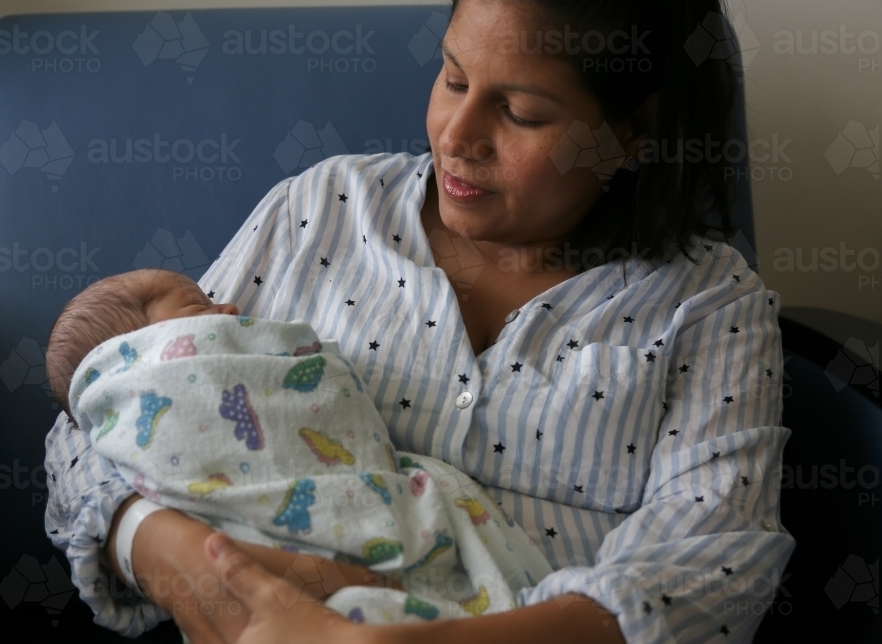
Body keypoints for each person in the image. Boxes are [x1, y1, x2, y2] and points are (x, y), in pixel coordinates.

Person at [44, 0, 796, 643]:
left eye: (522, 113)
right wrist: (161, 547)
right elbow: (105, 403)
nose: (457, 136)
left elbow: (719, 561)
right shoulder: (323, 211)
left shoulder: (707, 303)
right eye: (452, 76)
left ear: (634, 133)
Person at [45, 269, 553, 633]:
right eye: (200, 307)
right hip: (254, 576)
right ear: (139, 356)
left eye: (526, 115)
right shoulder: (309, 201)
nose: (231, 311)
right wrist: (150, 539)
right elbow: (76, 430)